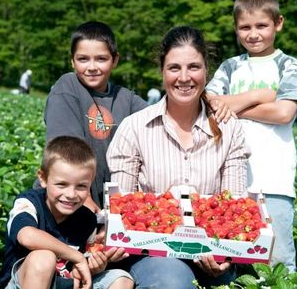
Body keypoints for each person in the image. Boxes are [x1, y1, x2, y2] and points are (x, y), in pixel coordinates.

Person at [107, 26, 250, 288]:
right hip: (155, 252)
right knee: (172, 282)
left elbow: (236, 205)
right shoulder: (135, 128)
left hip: (212, 251)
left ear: (206, 70)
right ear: (162, 71)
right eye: (174, 68)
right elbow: (122, 208)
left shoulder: (230, 129)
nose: (184, 78)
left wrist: (227, 255)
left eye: (193, 67)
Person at [205, 0, 297, 273]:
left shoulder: (288, 65)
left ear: (278, 23)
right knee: (232, 254)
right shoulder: (230, 67)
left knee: (276, 258)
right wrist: (262, 94)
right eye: (245, 27)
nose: (253, 34)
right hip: (229, 176)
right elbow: (209, 102)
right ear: (236, 29)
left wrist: (235, 105)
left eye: (261, 25)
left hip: (273, 179)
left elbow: (284, 112)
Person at [0, 136, 133, 289]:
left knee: (121, 279)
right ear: (43, 178)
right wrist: (76, 256)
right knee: (43, 258)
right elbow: (27, 236)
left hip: (64, 283)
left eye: (81, 186)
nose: (71, 194)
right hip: (20, 283)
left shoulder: (87, 220)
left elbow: (80, 266)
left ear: (91, 181)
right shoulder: (29, 202)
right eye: (62, 184)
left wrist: (93, 266)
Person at [42, 21, 147, 213]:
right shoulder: (68, 87)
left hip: (103, 204)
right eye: (83, 59)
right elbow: (67, 149)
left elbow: (163, 116)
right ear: (72, 61)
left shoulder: (125, 98)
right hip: (67, 201)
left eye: (101, 59)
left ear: (115, 60)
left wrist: (210, 99)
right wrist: (86, 200)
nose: (91, 67)